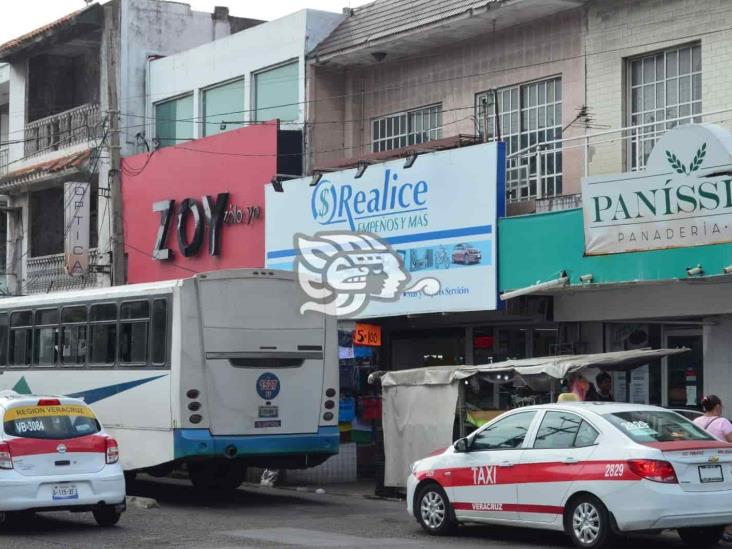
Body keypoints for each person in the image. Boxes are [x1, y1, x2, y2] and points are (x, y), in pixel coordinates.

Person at [693, 395, 732, 543]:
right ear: (717, 407)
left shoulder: (696, 422)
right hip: (724, 463)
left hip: (701, 464)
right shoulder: (723, 422)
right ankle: (729, 529)